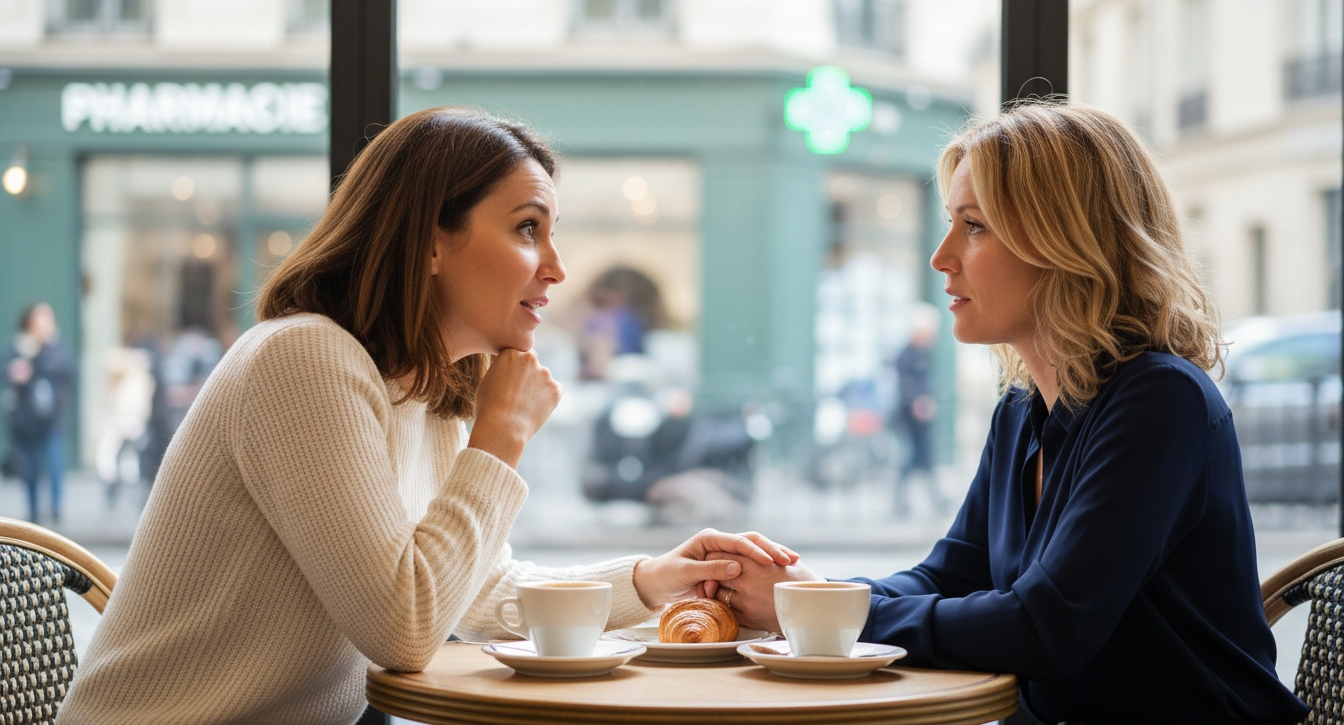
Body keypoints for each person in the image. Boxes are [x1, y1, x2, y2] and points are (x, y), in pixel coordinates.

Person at [56, 106, 795, 725]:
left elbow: (477, 592)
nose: (556, 267)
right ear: (432, 241)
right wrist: (501, 438)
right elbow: (404, 628)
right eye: (528, 228)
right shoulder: (305, 359)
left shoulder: (426, 392)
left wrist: (651, 581)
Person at [703, 102, 1307, 725]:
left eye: (974, 226)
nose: (941, 256)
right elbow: (948, 578)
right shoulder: (1021, 410)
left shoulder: (1161, 400)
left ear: (1066, 242)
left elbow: (1047, 627)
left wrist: (815, 613)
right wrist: (810, 596)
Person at [3, 301, 74, 524]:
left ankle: (55, 509)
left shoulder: (56, 347)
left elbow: (68, 373)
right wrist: (15, 373)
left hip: (51, 417)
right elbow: (7, 374)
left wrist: (46, 350)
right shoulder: (18, 347)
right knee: (30, 468)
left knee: (54, 463)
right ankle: (33, 513)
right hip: (27, 419)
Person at [891, 305, 946, 517]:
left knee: (924, 457)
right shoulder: (907, 355)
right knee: (913, 458)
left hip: (920, 417)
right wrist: (917, 402)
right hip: (910, 417)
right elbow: (907, 384)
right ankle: (903, 501)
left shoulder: (922, 354)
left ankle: (934, 499)